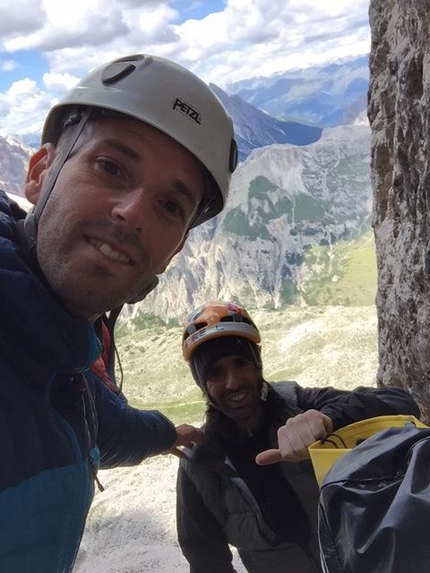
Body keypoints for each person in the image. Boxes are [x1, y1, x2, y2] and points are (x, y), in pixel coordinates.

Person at [0, 54, 237, 573]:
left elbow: (98, 426)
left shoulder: (65, 361)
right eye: (110, 168)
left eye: (170, 206)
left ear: (173, 251)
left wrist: (167, 434)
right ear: (39, 173)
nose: (132, 213)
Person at [176, 301, 421, 573]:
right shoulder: (200, 460)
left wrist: (329, 419)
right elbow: (205, 557)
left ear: (257, 365)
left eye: (240, 363)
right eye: (215, 373)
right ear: (202, 384)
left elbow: (399, 403)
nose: (233, 382)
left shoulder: (300, 404)